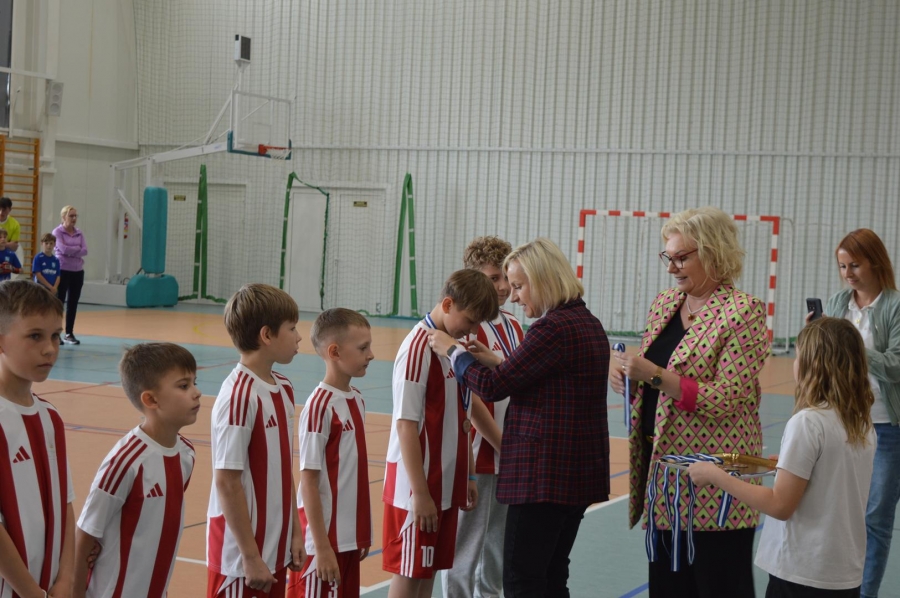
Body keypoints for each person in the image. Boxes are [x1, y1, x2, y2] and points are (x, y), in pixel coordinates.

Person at [427, 237, 610, 598]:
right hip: (575, 475)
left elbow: (493, 387)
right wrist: (498, 361)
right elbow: (546, 376)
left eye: (518, 286)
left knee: (521, 578)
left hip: (543, 478)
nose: (512, 296)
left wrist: (454, 352)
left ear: (542, 280)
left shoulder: (551, 327)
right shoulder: (585, 321)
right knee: (552, 574)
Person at [609, 207, 770, 598]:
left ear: (713, 253)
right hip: (666, 483)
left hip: (717, 485)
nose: (672, 268)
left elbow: (726, 397)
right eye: (668, 257)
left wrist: (652, 374)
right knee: (668, 588)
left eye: (681, 258)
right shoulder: (665, 304)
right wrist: (625, 377)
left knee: (720, 587)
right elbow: (656, 381)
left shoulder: (743, 312)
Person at [688, 317, 876, 596]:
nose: (794, 363)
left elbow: (780, 505)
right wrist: (787, 466)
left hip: (801, 572)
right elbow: (829, 477)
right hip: (843, 574)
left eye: (798, 356)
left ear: (813, 365)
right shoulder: (861, 423)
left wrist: (716, 476)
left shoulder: (808, 423)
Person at [382, 269, 498, 598]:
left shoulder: (452, 347)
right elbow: (405, 424)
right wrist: (419, 494)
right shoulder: (417, 348)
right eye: (470, 321)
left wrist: (469, 474)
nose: (472, 330)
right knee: (409, 575)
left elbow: (464, 413)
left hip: (445, 483)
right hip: (418, 488)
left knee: (427, 574)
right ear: (447, 304)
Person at [73, 342, 200, 598]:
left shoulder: (186, 454)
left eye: (195, 383)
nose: (196, 393)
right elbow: (86, 534)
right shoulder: (125, 462)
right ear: (151, 399)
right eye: (183, 386)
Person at [207, 283, 306, 598]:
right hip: (241, 562)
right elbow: (227, 481)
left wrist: (294, 532)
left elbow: (283, 469)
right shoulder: (239, 397)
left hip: (274, 548)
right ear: (267, 335)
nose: (299, 336)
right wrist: (249, 557)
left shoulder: (283, 388)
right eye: (292, 328)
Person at [818, 228, 900, 598]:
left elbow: (896, 366)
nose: (847, 273)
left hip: (886, 427)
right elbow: (827, 359)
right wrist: (817, 338)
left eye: (855, 265)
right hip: (843, 423)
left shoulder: (895, 307)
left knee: (875, 519)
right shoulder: (838, 302)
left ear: (875, 263)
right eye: (842, 266)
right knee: (839, 515)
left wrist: (851, 344)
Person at [441, 236, 524, 598]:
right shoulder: (467, 326)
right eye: (493, 278)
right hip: (480, 453)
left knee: (497, 550)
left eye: (505, 276)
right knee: (464, 550)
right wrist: (502, 445)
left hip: (510, 453)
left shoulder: (514, 325)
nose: (503, 286)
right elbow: (470, 398)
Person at [287, 309, 374, 598]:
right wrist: (322, 547)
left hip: (348, 541)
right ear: (334, 352)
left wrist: (360, 532)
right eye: (363, 348)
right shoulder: (319, 407)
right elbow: (309, 482)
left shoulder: (356, 399)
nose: (371, 354)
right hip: (322, 545)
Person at [0, 280, 74, 597]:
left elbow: (65, 504)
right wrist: (32, 592)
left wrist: (66, 579)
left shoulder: (50, 418)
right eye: (35, 336)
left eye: (55, 335)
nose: (50, 348)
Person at [53, 205, 87, 346]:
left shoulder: (79, 233)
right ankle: (56, 334)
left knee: (73, 303)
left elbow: (85, 250)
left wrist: (71, 251)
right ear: (63, 217)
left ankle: (69, 333)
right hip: (62, 270)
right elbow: (62, 249)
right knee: (59, 303)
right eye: (71, 216)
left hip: (77, 271)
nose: (74, 218)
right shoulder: (57, 232)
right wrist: (76, 249)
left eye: (75, 216)